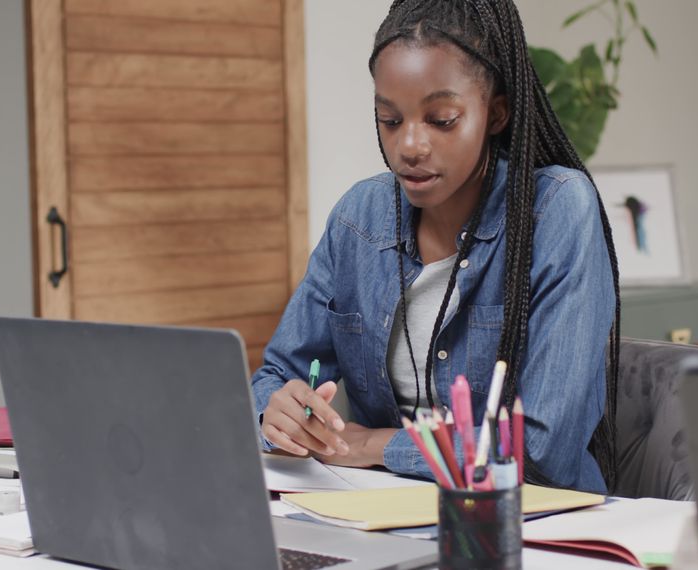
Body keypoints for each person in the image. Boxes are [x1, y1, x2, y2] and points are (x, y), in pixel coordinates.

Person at [251, 0, 620, 494]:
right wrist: (277, 414)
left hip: (531, 528)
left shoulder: (555, 211)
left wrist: (379, 446)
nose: (410, 145)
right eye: (390, 119)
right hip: (380, 515)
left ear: (496, 113)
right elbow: (277, 376)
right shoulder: (359, 219)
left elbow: (539, 447)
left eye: (441, 119)